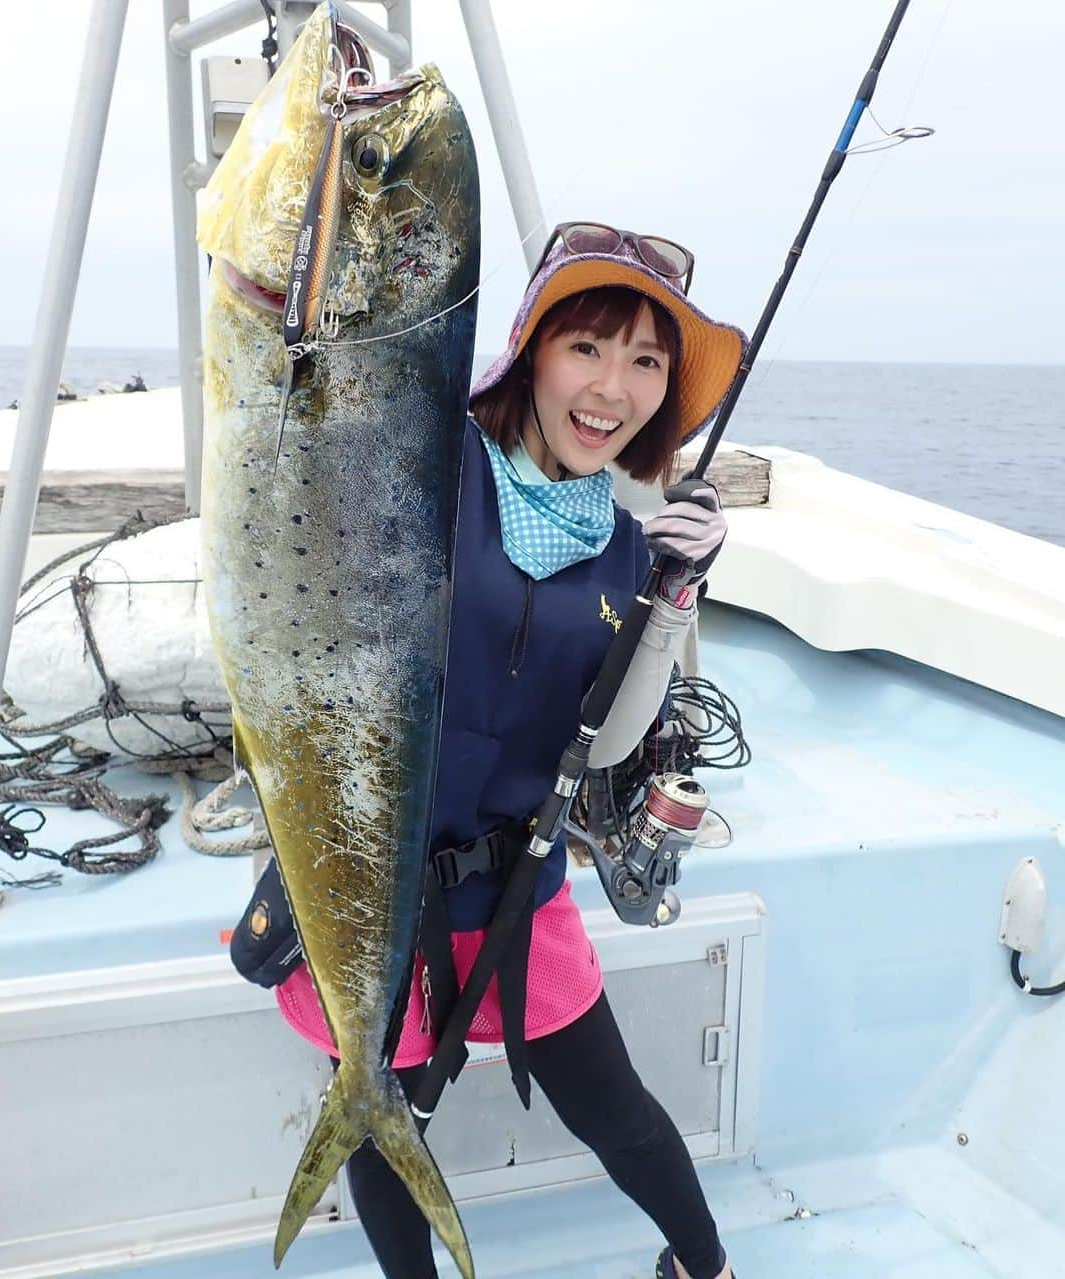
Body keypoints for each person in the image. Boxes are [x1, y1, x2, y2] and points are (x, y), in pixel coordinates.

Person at [245, 221, 747, 1279]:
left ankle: (707, 1265)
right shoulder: (423, 464)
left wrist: (673, 597)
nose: (614, 386)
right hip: (368, 887)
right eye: (589, 346)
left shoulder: (620, 541)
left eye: (648, 360)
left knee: (619, 1110)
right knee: (382, 1119)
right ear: (531, 348)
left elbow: (606, 740)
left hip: (520, 886)